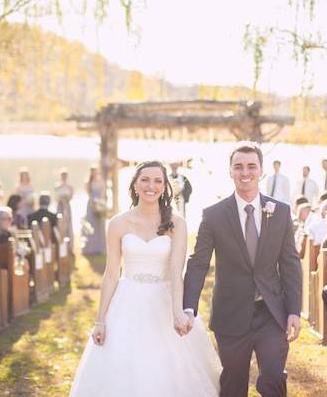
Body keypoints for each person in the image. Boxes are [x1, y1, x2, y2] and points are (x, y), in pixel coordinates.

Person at [69, 161, 220, 397]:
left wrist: (177, 312)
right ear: (135, 185)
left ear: (165, 186)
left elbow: (176, 272)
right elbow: (111, 274)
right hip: (127, 301)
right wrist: (100, 320)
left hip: (164, 298)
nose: (152, 186)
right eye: (145, 180)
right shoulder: (118, 223)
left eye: (158, 180)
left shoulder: (177, 223)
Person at [183, 142, 302, 397]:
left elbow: (290, 263)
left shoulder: (280, 212)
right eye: (238, 166)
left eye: (251, 166)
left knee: (272, 378)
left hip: (271, 312)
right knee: (233, 385)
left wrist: (293, 309)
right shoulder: (213, 215)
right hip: (231, 314)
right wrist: (188, 307)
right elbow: (198, 262)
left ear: (261, 171)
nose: (244, 172)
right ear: (230, 171)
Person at [82, 166, 107, 255]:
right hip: (91, 204)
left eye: (95, 171)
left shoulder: (101, 182)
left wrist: (99, 204)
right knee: (91, 224)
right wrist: (93, 202)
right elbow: (88, 193)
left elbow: (103, 193)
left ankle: (100, 248)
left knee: (99, 225)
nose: (94, 173)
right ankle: (91, 248)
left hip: (99, 204)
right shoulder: (88, 183)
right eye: (92, 172)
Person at [54, 168, 75, 246]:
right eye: (62, 175)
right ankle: (60, 243)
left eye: (65, 175)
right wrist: (61, 200)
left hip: (67, 206)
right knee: (60, 223)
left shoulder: (70, 186)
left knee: (68, 223)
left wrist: (66, 200)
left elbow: (71, 196)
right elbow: (56, 198)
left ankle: (69, 245)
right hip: (60, 206)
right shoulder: (57, 186)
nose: (64, 177)